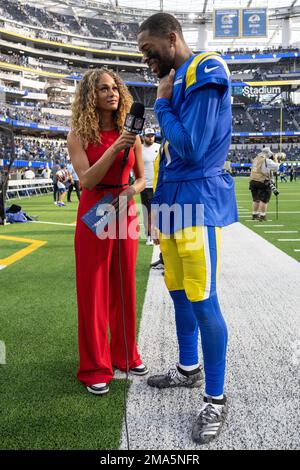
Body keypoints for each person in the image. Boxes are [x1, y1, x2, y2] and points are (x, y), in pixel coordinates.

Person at [138, 13, 238, 444]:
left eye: (149, 50)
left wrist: (161, 103)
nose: (146, 59)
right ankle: (188, 368)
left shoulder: (206, 67)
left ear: (172, 38)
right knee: (178, 291)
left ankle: (215, 399)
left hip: (196, 197)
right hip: (172, 198)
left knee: (202, 298)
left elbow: (193, 148)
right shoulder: (180, 78)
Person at [67, 68, 148, 396]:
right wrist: (115, 149)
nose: (112, 93)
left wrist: (131, 192)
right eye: (103, 89)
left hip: (124, 211)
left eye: (115, 88)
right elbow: (86, 180)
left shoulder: (134, 133)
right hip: (94, 211)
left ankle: (126, 356)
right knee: (94, 292)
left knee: (124, 288)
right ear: (91, 96)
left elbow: (142, 179)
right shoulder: (78, 135)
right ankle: (95, 366)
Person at [140, 128, 160, 245]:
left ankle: (157, 233)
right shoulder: (139, 149)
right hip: (146, 185)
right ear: (143, 137)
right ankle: (149, 235)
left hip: (158, 184)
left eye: (152, 135)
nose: (150, 138)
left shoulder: (158, 147)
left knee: (158, 211)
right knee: (147, 211)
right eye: (148, 136)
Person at [249, 147, 280, 221]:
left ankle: (254, 214)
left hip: (253, 181)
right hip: (262, 181)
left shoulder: (256, 159)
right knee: (264, 200)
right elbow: (276, 168)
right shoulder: (266, 160)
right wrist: (275, 159)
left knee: (256, 199)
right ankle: (262, 216)